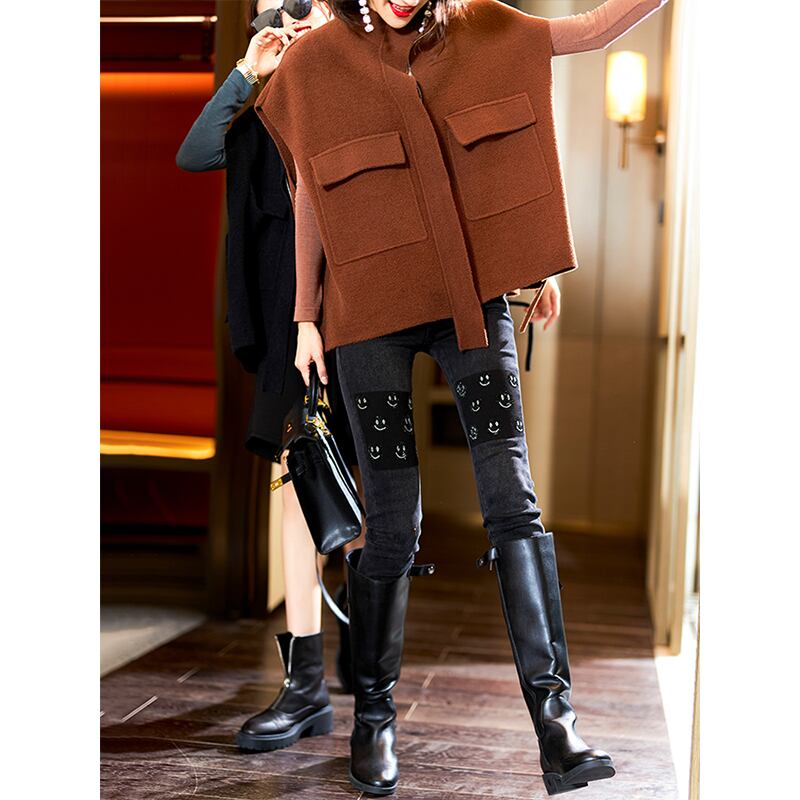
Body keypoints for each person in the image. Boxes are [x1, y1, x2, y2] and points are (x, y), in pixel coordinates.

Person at [255, 0, 670, 794]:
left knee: (512, 496)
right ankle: (373, 720)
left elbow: (588, 33)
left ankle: (557, 724)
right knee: (394, 522)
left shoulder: (483, 28)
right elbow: (311, 190)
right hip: (366, 317)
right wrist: (306, 318)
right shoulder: (315, 61)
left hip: (468, 306)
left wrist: (528, 263)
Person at [175, 0, 365, 753]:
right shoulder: (261, 114)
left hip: (362, 312)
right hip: (290, 322)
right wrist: (247, 72)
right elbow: (194, 154)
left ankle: (366, 649)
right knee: (296, 478)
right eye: (269, 15)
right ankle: (306, 681)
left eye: (300, 8)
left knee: (367, 488)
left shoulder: (364, 85)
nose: (283, 22)